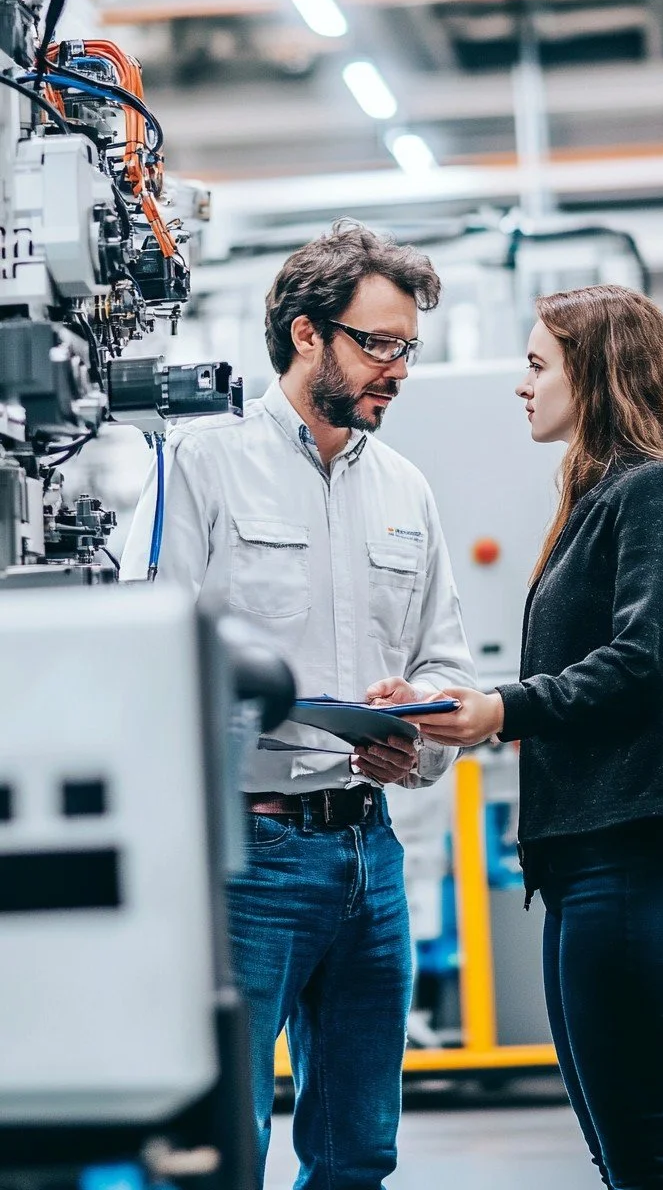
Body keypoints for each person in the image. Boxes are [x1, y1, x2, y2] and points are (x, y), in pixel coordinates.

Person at [120, 221, 474, 1190]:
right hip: (249, 859)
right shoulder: (200, 467)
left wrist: (419, 732)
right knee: (225, 1151)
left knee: (360, 1153)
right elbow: (149, 656)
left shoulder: (407, 489)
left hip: (371, 849)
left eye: (409, 346)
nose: (399, 369)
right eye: (380, 343)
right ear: (309, 334)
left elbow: (446, 655)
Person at [395, 285, 663, 1190]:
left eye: (536, 365)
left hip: (633, 868)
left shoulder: (656, 494)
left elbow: (634, 664)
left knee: (648, 1169)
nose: (521, 385)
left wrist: (499, 710)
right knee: (623, 1163)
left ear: (596, 374)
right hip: (589, 868)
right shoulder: (602, 497)